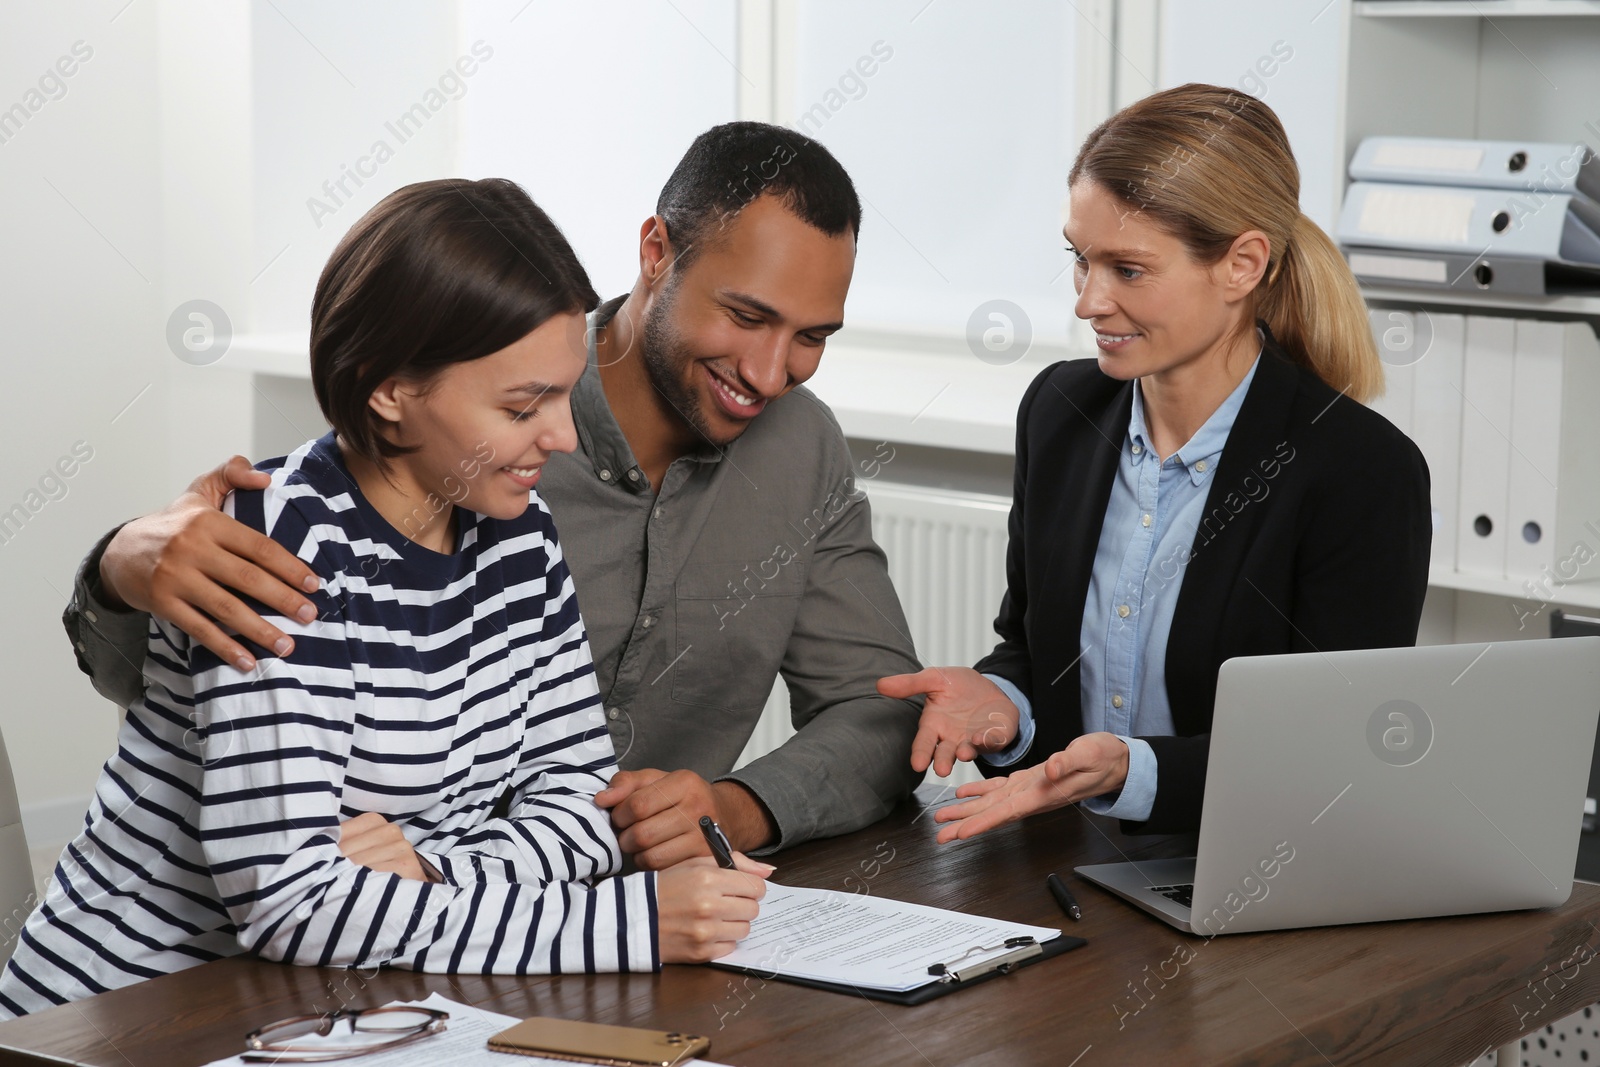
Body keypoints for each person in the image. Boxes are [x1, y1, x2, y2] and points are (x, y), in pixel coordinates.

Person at [0, 179, 768, 1019]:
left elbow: (583, 804)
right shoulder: (278, 549)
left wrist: (434, 866)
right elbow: (292, 902)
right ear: (391, 391)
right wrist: (625, 923)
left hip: (332, 1003)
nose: (565, 435)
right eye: (523, 405)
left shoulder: (520, 534)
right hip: (127, 1016)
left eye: (563, 392)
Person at [61, 123, 923, 871]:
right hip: (372, 921)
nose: (772, 373)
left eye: (811, 337)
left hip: (576, 911)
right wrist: (119, 568)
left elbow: (883, 712)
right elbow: (180, 695)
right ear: (656, 252)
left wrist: (734, 809)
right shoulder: (467, 448)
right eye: (745, 315)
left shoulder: (803, 450)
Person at [879, 83, 1431, 840]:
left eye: (1128, 271)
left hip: (1249, 881)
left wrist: (1135, 772)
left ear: (1241, 265)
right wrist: (1006, 709)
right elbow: (1029, 648)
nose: (1088, 302)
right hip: (1068, 862)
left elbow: (1330, 757)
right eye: (1080, 261)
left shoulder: (1361, 471)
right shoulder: (1060, 413)